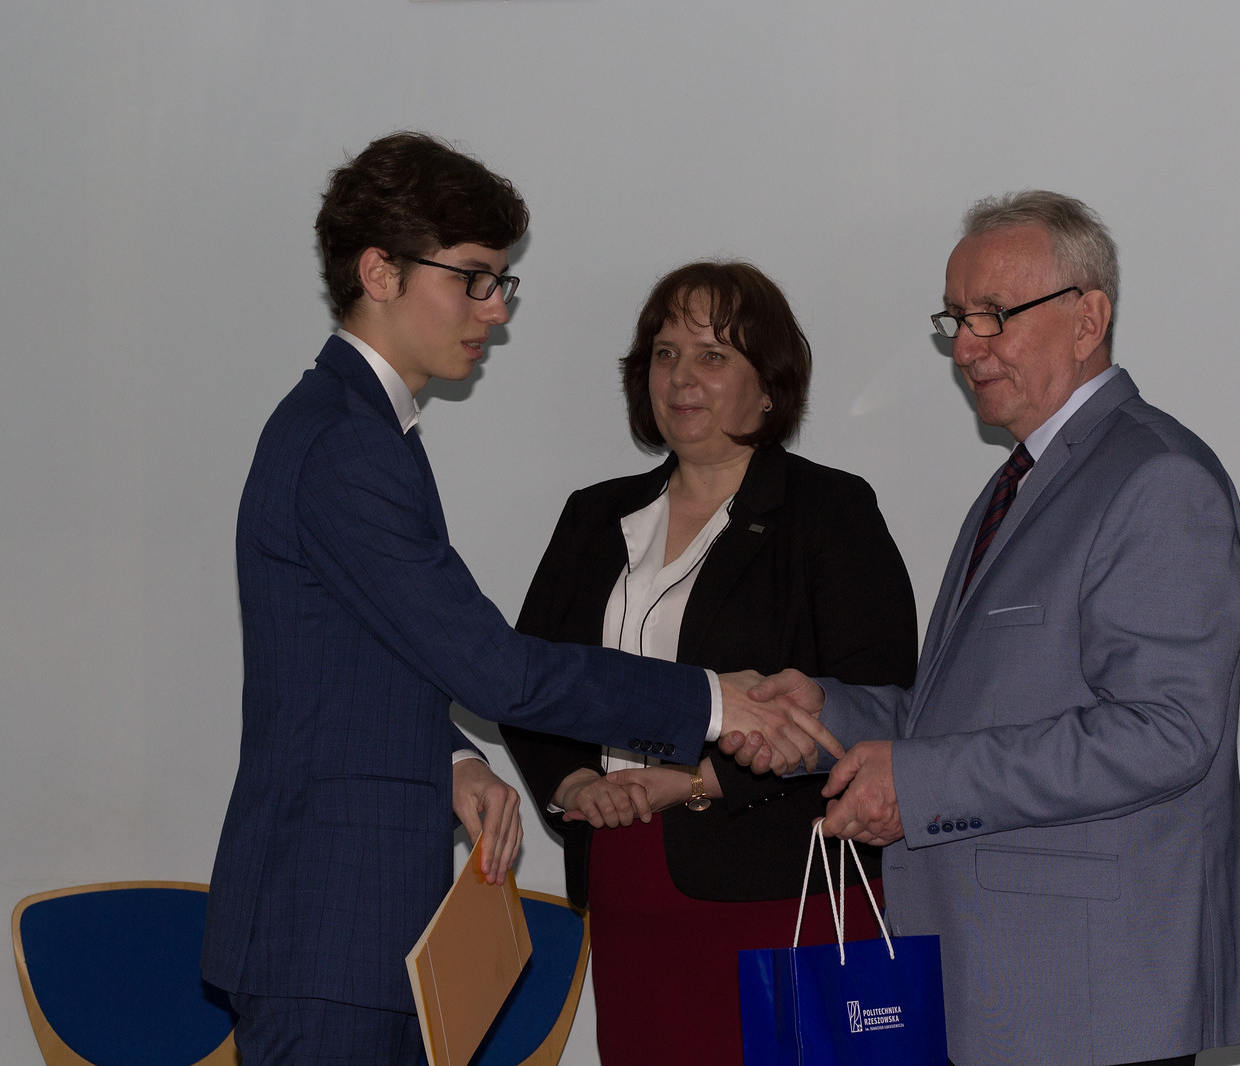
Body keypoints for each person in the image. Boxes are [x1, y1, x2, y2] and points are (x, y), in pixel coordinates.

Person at [201, 133, 836, 1065]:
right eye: (474, 279)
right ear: (379, 272)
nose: (495, 309)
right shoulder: (347, 443)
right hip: (327, 928)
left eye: (501, 282)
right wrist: (711, 702)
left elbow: (363, 661)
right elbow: (494, 669)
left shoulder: (364, 430)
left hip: (351, 927)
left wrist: (453, 758)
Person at [746, 192, 1240, 1066]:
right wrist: (823, 716)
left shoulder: (1156, 478)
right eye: (956, 318)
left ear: (1088, 318)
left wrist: (917, 783)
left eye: (994, 314)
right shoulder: (1023, 481)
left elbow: (1167, 731)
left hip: (1093, 1000)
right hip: (1012, 991)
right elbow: (966, 716)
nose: (965, 346)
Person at [501, 260, 919, 1065]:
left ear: (770, 387)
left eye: (713, 355)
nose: (681, 377)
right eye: (665, 354)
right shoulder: (593, 517)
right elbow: (528, 682)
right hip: (625, 884)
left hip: (779, 890)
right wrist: (574, 784)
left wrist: (695, 782)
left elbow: (879, 705)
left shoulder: (829, 511)